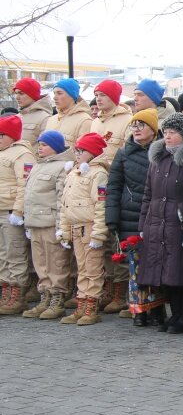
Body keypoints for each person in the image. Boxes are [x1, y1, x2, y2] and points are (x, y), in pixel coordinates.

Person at [138, 113, 183, 334]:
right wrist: (143, 224)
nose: (167, 136)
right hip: (157, 222)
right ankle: (175, 314)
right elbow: (148, 194)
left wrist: (182, 211)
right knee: (165, 272)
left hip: (181, 223)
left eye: (172, 132)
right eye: (165, 132)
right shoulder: (158, 159)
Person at [106, 109, 160, 325]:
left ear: (153, 129)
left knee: (156, 264)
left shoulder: (162, 151)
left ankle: (157, 309)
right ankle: (139, 310)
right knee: (135, 267)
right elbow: (114, 187)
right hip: (130, 216)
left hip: (155, 216)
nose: (136, 129)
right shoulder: (123, 153)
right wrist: (112, 217)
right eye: (134, 125)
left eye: (141, 125)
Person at [88, 79, 134, 314]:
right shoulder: (95, 121)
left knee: (117, 240)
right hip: (95, 183)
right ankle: (108, 287)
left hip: (117, 183)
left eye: (103, 95)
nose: (98, 99)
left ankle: (121, 291)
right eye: (96, 95)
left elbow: (127, 154)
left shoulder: (126, 120)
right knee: (103, 242)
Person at [58, 132, 110, 326]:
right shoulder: (74, 172)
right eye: (76, 150)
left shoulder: (98, 174)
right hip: (76, 227)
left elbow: (101, 206)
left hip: (89, 228)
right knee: (82, 268)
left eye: (82, 151)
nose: (77, 154)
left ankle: (92, 306)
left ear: (93, 153)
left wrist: (98, 234)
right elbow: (65, 205)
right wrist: (64, 230)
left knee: (93, 268)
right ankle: (81, 303)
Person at [21, 131, 73, 319]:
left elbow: (61, 199)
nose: (40, 148)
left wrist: (61, 227)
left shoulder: (62, 167)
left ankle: (57, 299)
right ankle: (45, 296)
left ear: (55, 147)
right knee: (41, 263)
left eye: (44, 144)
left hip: (50, 223)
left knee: (56, 263)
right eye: (40, 144)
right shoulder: (38, 166)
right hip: (35, 222)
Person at [0, 116, 37, 315]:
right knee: (2, 255)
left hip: (10, 212)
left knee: (15, 254)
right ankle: (6, 290)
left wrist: (18, 211)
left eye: (2, 135)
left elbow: (25, 185)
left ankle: (17, 293)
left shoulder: (22, 154)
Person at [45, 79, 92, 148]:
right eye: (54, 93)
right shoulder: (52, 119)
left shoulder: (84, 121)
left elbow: (84, 151)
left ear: (72, 96)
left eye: (59, 93)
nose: (54, 97)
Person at [13, 77, 52, 146]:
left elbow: (46, 148)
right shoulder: (16, 117)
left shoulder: (45, 118)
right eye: (16, 93)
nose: (17, 97)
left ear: (32, 95)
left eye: (21, 93)